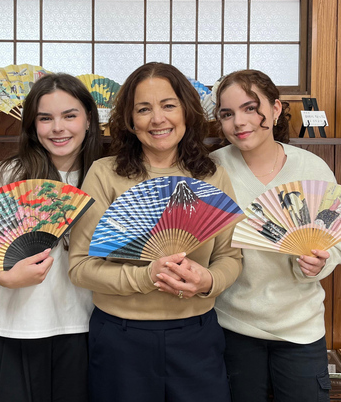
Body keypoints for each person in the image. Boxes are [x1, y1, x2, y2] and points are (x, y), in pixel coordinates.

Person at [68, 63, 242, 402]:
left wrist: (208, 281)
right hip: (121, 337)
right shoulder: (105, 174)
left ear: (187, 112)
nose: (157, 119)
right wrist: (147, 275)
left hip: (196, 335)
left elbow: (230, 256)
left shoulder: (211, 175)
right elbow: (79, 268)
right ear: (131, 121)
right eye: (143, 109)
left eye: (168, 105)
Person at [211, 69, 341, 402]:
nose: (239, 122)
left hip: (300, 329)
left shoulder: (311, 168)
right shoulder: (212, 169)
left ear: (274, 109)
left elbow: (337, 244)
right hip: (231, 326)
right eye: (227, 114)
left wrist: (318, 264)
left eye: (249, 108)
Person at [0, 73, 102, 402]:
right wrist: (6, 277)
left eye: (70, 115)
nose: (58, 128)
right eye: (45, 118)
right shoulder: (7, 175)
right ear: (33, 125)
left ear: (89, 118)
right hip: (10, 329)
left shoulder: (103, 177)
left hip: (82, 328)